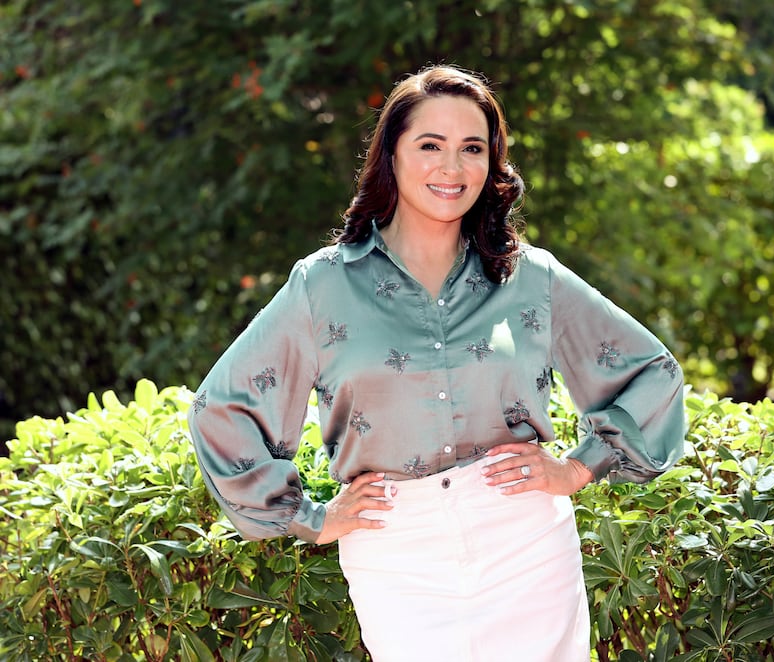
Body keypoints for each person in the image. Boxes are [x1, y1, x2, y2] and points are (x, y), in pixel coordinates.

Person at [188, 65, 685, 661]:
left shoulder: (531, 278)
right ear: (390, 155)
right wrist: (309, 517)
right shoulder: (323, 286)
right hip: (396, 552)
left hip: (526, 541)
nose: (451, 168)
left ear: (491, 164)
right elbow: (222, 408)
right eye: (430, 146)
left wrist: (576, 468)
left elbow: (653, 372)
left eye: (472, 148)